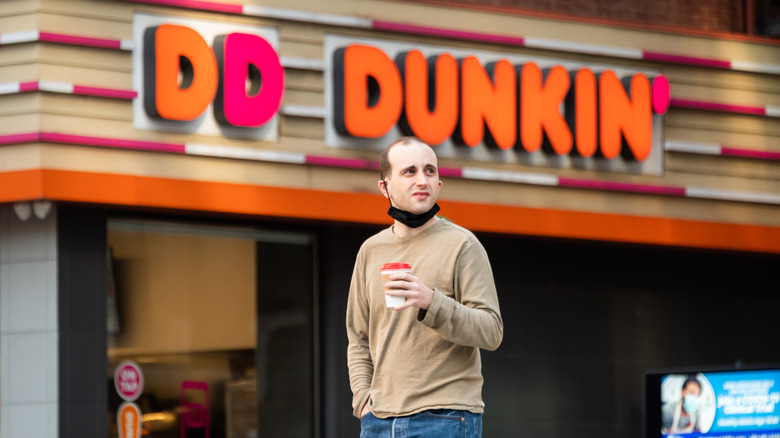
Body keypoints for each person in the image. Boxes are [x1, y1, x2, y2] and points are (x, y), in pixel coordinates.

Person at [345, 136, 503, 438]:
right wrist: (363, 401)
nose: (423, 180)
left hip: (445, 418)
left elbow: (491, 331)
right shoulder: (370, 251)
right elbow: (358, 337)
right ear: (385, 186)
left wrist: (432, 301)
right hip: (378, 421)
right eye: (410, 171)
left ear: (439, 184)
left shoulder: (462, 244)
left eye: (430, 171)